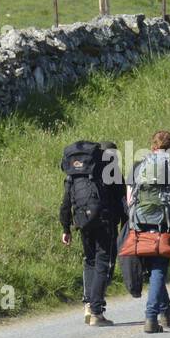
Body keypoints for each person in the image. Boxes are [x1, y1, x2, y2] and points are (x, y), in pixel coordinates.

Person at [60, 140, 125, 326]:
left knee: (90, 260)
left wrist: (66, 228)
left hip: (82, 220)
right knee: (104, 261)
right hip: (105, 221)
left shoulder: (75, 174)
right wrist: (125, 226)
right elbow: (123, 199)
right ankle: (96, 311)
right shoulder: (111, 169)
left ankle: (88, 305)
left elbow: (65, 203)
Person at [126, 131, 170, 334]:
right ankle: (151, 316)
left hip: (139, 224)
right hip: (162, 224)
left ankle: (165, 311)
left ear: (152, 147)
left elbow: (129, 199)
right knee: (159, 269)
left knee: (153, 270)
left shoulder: (136, 167)